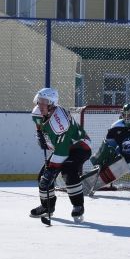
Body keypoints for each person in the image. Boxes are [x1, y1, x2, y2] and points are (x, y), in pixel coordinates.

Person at [30, 87, 92, 222]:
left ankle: (78, 206)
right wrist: (41, 136)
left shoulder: (60, 124)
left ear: (52, 104)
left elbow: (62, 151)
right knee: (43, 177)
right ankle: (47, 206)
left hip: (80, 146)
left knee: (68, 170)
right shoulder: (38, 112)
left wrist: (52, 169)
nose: (40, 104)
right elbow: (40, 127)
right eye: (39, 100)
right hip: (62, 147)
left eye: (44, 101)